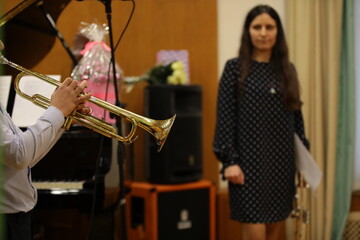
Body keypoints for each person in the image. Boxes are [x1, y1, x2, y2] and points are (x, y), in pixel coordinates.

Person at [213, 5, 310, 240]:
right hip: (246, 168)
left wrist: (304, 162)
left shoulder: (288, 71)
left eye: (270, 27)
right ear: (248, 31)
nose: (263, 33)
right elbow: (225, 117)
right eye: (257, 27)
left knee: (274, 232)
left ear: (278, 32)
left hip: (281, 166)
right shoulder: (234, 69)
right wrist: (229, 161)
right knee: (255, 233)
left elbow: (296, 121)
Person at [0, 77, 92, 240]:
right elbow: (19, 154)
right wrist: (57, 111)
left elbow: (25, 158)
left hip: (14, 218)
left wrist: (63, 117)